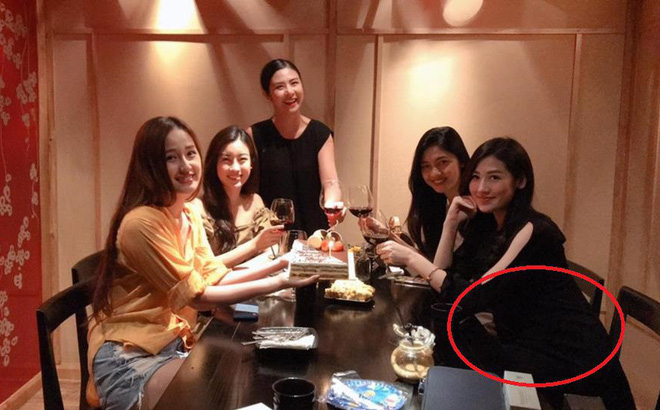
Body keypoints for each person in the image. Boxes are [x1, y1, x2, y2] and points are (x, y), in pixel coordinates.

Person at [376, 137, 634, 409]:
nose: (481, 188)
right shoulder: (491, 227)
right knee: (440, 370)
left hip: (572, 365)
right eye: (476, 177)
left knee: (446, 381)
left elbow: (470, 297)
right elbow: (444, 276)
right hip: (525, 346)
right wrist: (450, 222)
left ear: (520, 181)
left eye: (495, 178)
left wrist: (411, 259)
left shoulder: (535, 231)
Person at [87, 117, 317, 410]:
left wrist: (281, 262)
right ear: (150, 165)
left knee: (244, 377)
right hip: (129, 353)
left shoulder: (188, 214)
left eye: (190, 153)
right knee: (215, 392)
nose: (186, 165)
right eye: (171, 158)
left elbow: (211, 275)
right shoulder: (141, 224)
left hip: (174, 340)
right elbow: (197, 296)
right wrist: (280, 280)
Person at [247, 59, 341, 236]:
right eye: (280, 87)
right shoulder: (255, 135)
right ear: (267, 94)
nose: (290, 92)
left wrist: (333, 205)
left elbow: (330, 183)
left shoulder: (320, 133)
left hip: (314, 234)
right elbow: (248, 189)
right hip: (270, 234)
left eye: (294, 83)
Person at [198, 125, 283, 266]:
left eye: (242, 159)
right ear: (214, 164)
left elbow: (271, 250)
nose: (235, 168)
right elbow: (205, 266)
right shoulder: (198, 208)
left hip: (256, 278)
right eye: (226, 159)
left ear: (251, 163)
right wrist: (254, 245)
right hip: (218, 281)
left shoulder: (255, 201)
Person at [405, 126, 469, 259]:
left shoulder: (473, 207)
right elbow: (432, 264)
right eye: (426, 166)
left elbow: (440, 270)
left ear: (461, 161)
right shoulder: (438, 206)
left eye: (443, 162)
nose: (434, 173)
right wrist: (388, 236)